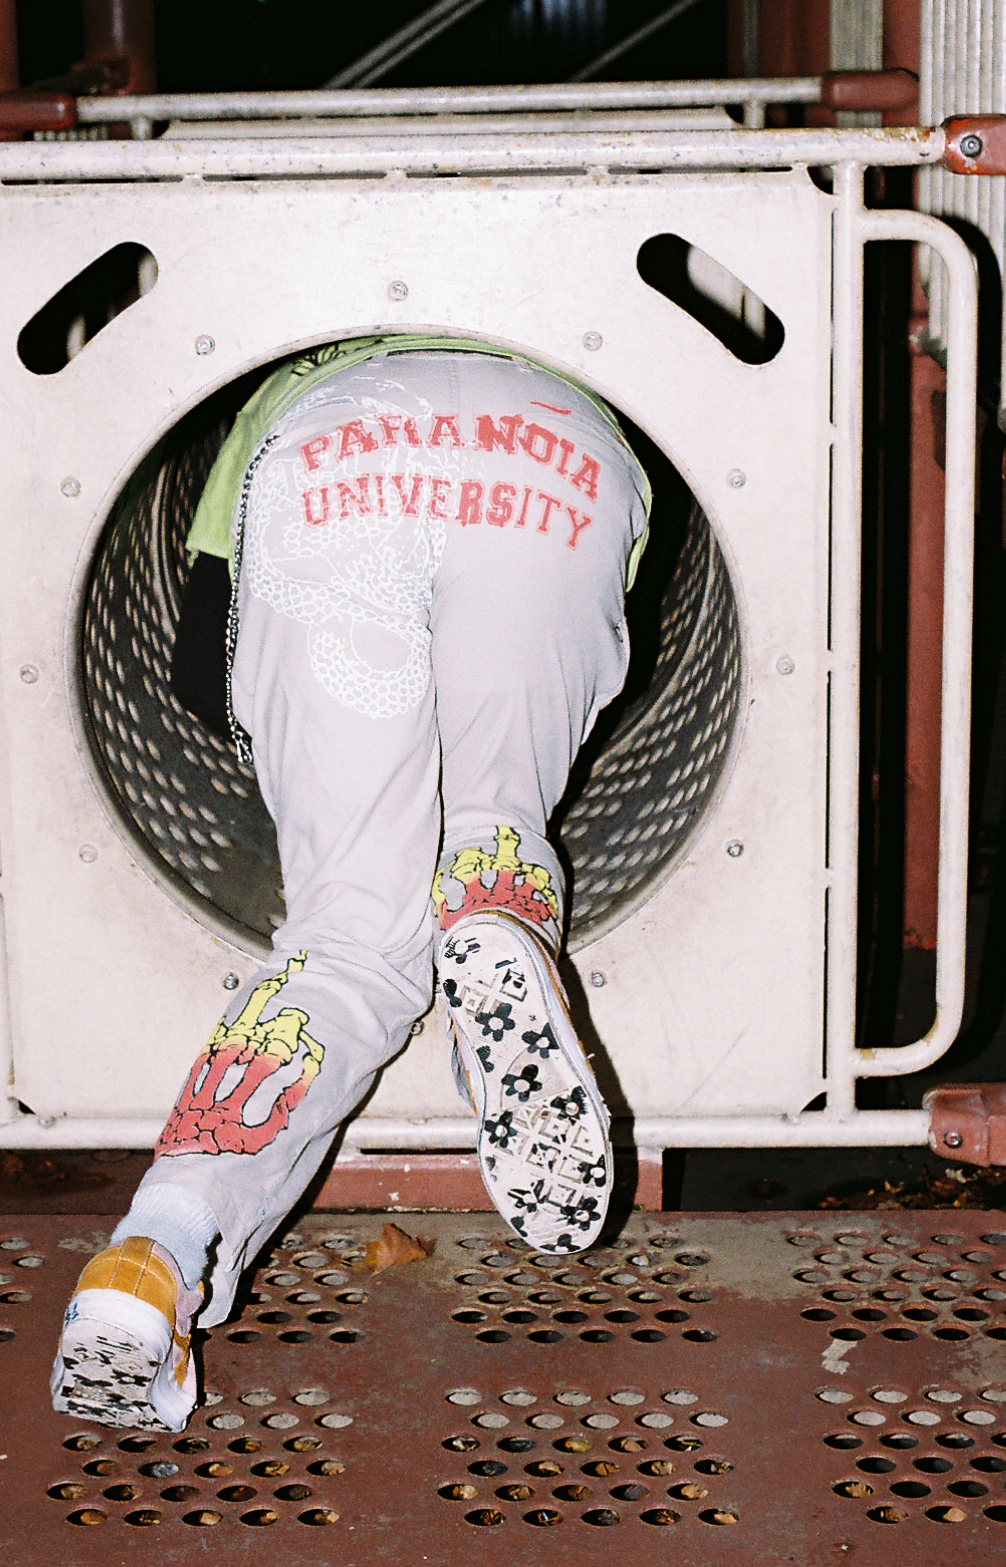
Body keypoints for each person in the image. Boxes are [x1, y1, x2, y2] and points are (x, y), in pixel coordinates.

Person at [51, 335, 650, 1432]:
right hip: (563, 447)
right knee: (494, 824)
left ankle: (154, 1257)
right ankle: (492, 910)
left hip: (336, 455)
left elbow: (201, 659)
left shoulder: (289, 365)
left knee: (353, 942)